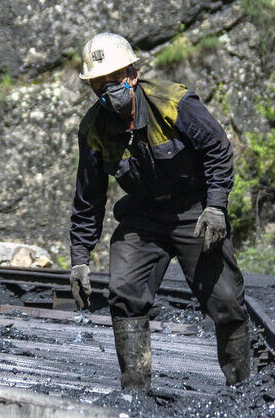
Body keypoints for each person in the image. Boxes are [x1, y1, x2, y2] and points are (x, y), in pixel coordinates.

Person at [67, 32, 253, 392]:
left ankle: (243, 388)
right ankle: (136, 392)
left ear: (133, 74)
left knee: (227, 300)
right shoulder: (93, 130)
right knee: (124, 291)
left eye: (115, 81)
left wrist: (216, 207)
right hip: (142, 217)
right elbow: (88, 196)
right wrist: (79, 257)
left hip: (193, 211)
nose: (108, 91)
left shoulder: (171, 103)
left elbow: (217, 148)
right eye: (98, 85)